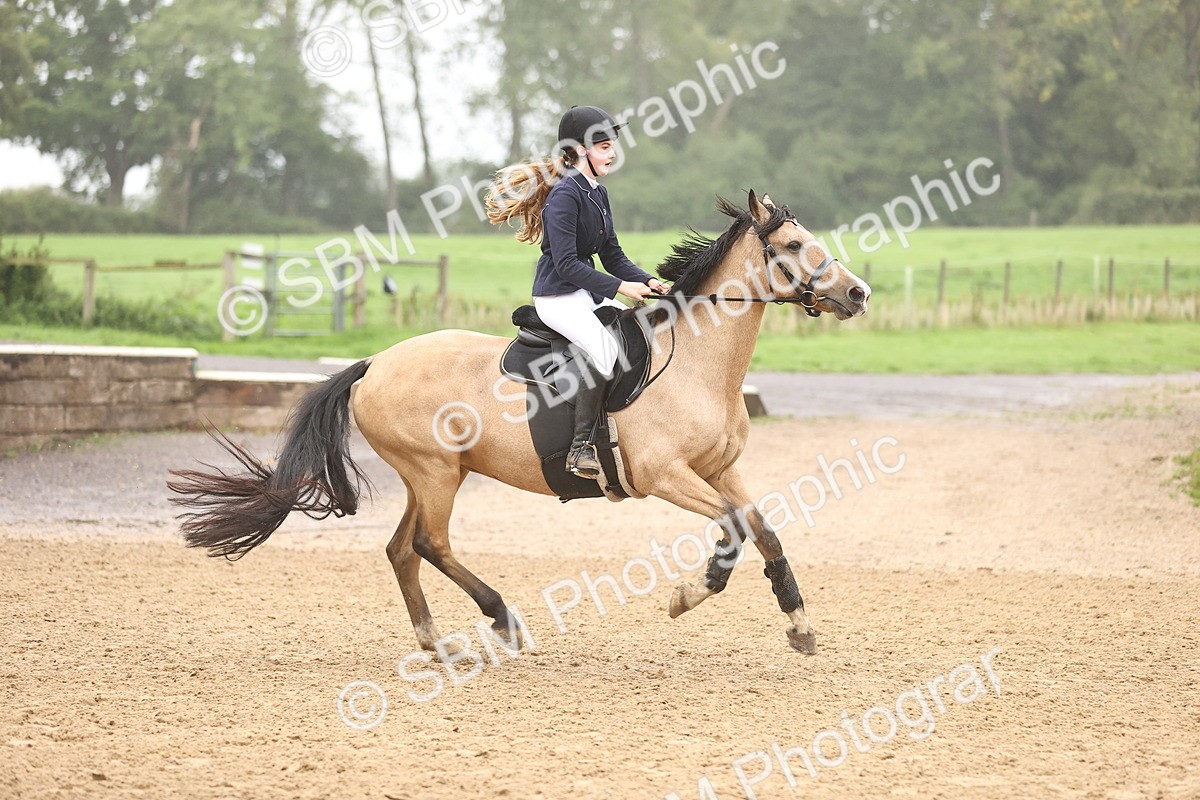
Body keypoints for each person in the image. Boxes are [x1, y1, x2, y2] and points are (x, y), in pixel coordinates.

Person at [486, 105, 669, 478]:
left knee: (638, 332)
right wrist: (620, 287)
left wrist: (649, 281)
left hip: (585, 291)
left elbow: (613, 255)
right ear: (581, 149)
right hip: (557, 296)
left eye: (612, 145)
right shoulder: (564, 195)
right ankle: (580, 447)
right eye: (604, 147)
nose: (612, 153)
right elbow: (568, 263)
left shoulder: (597, 194)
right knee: (604, 351)